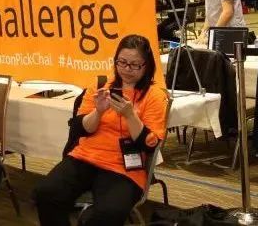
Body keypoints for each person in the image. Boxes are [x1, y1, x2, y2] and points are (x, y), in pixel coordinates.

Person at [34, 35, 168, 226]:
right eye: (122, 62)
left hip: (124, 167)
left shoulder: (154, 96)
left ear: (147, 66)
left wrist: (130, 115)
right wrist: (98, 111)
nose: (126, 69)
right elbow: (81, 129)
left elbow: (149, 144)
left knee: (108, 214)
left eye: (134, 65)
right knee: (46, 193)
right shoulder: (101, 86)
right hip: (85, 157)